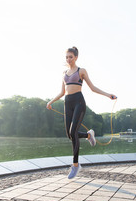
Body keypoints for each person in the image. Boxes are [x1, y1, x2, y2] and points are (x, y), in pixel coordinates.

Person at [46, 46, 117, 179]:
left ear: (76, 57)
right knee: (70, 135)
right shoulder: (64, 73)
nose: (68, 59)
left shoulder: (81, 71)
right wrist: (51, 102)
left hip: (79, 102)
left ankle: (75, 165)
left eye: (71, 57)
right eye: (66, 57)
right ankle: (89, 135)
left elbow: (92, 87)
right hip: (67, 103)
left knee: (73, 132)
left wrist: (108, 95)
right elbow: (62, 92)